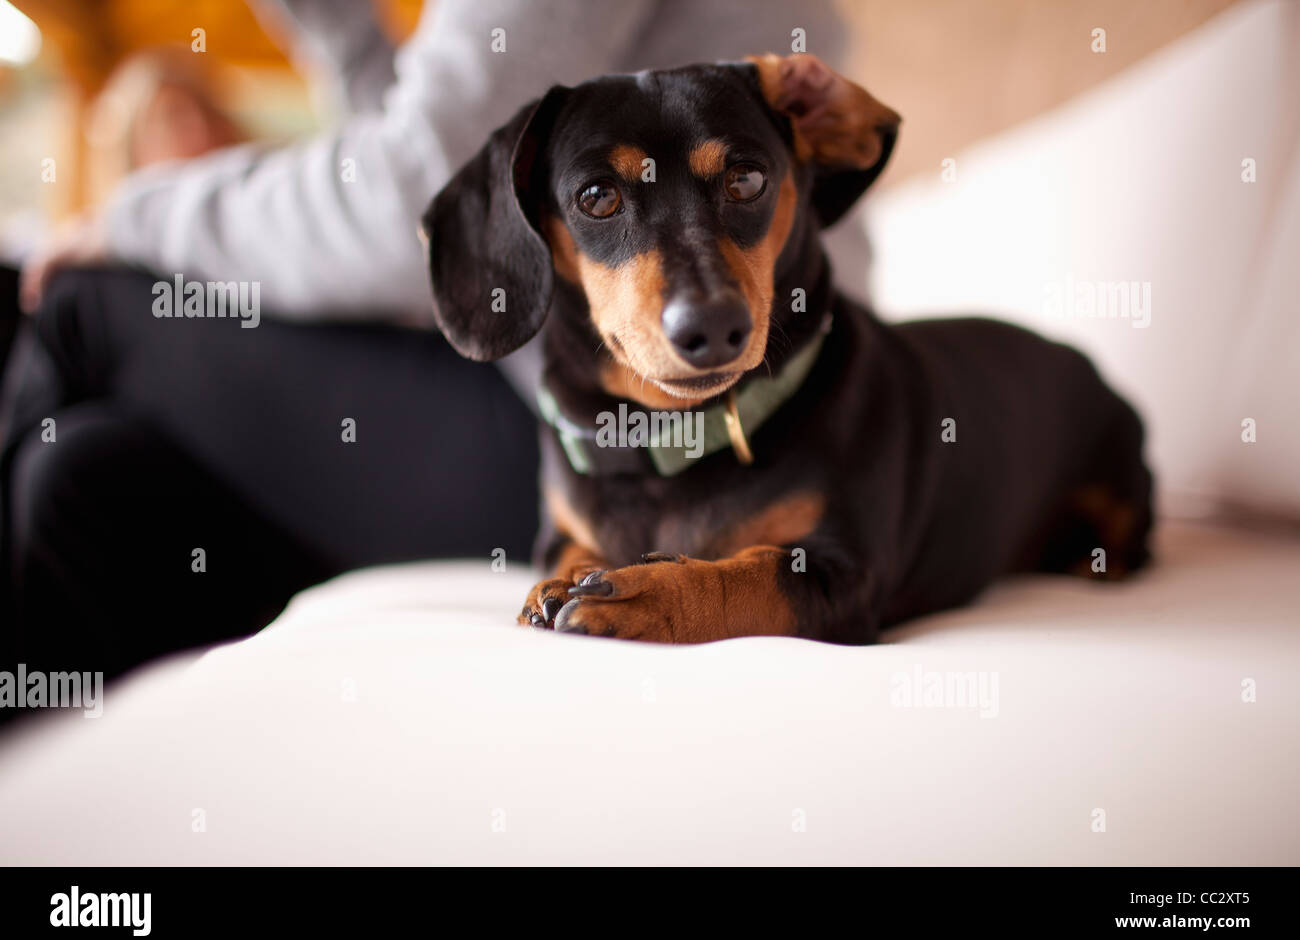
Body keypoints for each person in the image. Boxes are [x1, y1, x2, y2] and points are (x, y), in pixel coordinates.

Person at [1, 0, 851, 682]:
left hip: (670, 424)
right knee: (76, 474)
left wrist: (137, 210)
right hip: (546, 388)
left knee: (85, 304)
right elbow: (438, 206)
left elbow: (405, 192)